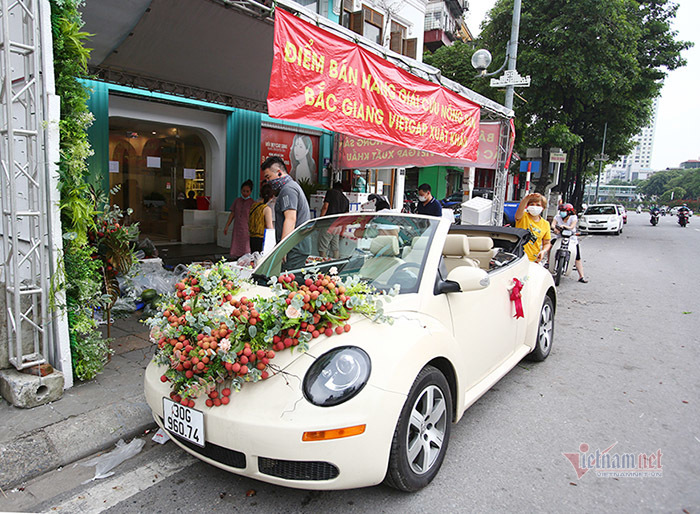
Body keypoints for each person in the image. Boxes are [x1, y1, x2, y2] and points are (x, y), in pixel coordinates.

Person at [261, 156, 311, 270]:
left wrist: (283, 249)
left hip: (293, 249)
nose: (268, 181)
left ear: (279, 173)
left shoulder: (288, 189)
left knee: (288, 282)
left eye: (268, 177)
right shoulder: (291, 186)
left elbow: (290, 219)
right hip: (295, 247)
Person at [551, 203, 588, 283]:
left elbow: (572, 226)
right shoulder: (557, 217)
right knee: (549, 246)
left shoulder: (573, 217)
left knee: (577, 257)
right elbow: (553, 225)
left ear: (569, 212)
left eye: (564, 211)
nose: (562, 212)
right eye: (561, 211)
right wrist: (555, 229)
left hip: (572, 239)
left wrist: (564, 227)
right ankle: (548, 263)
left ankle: (581, 276)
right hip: (559, 237)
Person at [515, 193, 551, 263]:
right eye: (532, 204)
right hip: (518, 257)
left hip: (534, 259)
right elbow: (520, 211)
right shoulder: (523, 217)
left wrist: (543, 251)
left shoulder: (545, 224)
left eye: (538, 205)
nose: (535, 207)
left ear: (543, 208)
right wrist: (527, 198)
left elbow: (547, 243)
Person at [223, 179, 255, 259]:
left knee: (245, 247)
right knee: (236, 244)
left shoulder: (252, 203)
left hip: (247, 228)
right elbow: (232, 214)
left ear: (250, 192)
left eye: (247, 191)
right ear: (241, 191)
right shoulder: (237, 201)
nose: (245, 193)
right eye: (243, 191)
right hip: (237, 227)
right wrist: (227, 226)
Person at [318, 182, 350, 259]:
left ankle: (323, 265)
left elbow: (325, 207)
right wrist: (343, 231)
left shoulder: (331, 192)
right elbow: (346, 217)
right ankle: (335, 266)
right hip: (338, 226)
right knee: (335, 247)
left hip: (328, 223)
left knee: (323, 247)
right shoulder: (346, 199)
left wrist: (320, 221)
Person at [248, 183, 274, 254]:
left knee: (254, 259)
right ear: (271, 197)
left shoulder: (253, 206)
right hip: (262, 238)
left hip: (252, 237)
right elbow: (269, 227)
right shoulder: (266, 209)